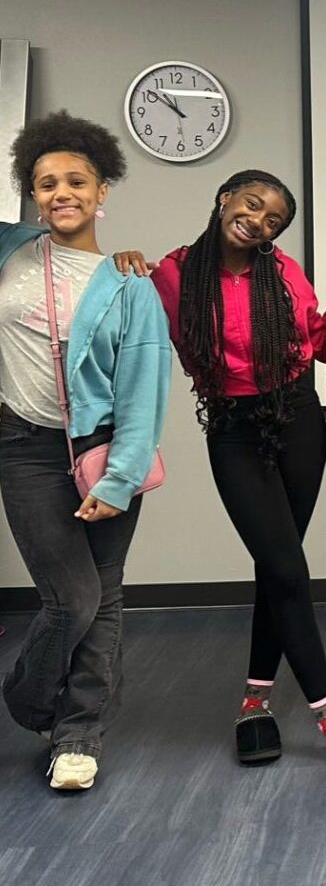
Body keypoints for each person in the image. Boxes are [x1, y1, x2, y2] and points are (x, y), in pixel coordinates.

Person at [120, 170, 326, 775]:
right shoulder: (170, 273)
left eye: (273, 218)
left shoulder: (281, 269)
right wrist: (119, 266)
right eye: (252, 204)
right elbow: (129, 326)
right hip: (234, 429)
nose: (259, 221)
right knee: (286, 566)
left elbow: (316, 343)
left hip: (297, 420)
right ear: (224, 199)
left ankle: (254, 701)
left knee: (276, 565)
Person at [0, 111, 169, 792]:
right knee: (72, 597)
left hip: (102, 453)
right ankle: (29, 699)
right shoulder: (8, 251)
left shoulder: (129, 282)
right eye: (45, 182)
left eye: (76, 180)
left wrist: (121, 477)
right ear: (31, 194)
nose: (60, 192)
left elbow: (142, 390)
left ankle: (78, 735)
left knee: (104, 596)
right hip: (22, 448)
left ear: (104, 191)